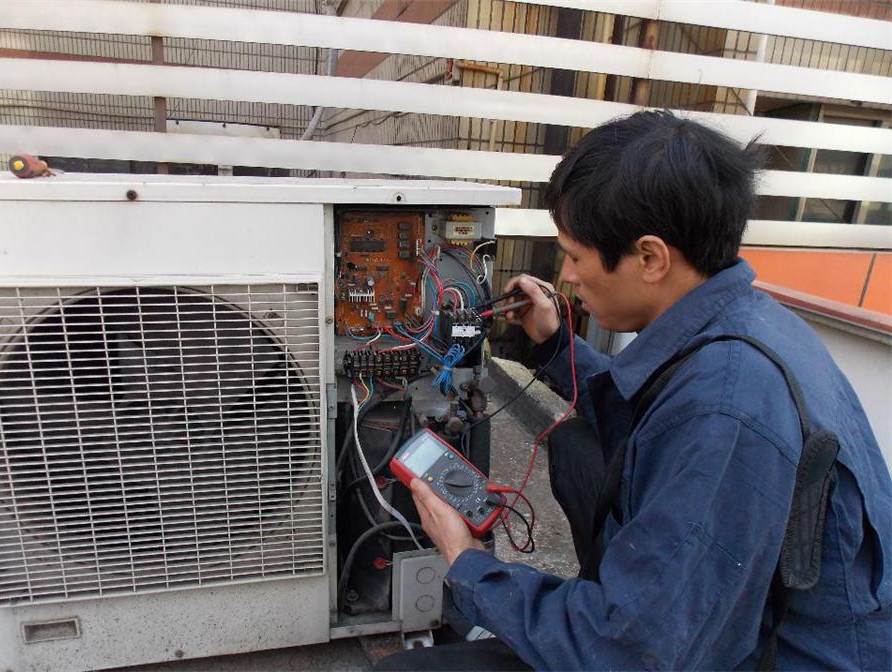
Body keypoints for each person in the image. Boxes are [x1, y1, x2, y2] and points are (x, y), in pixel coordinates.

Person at [376, 111, 892, 671]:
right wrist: (555, 346)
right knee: (576, 446)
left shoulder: (727, 410)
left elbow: (634, 652)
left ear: (650, 258)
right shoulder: (749, 322)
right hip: (720, 621)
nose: (567, 276)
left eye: (575, 255)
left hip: (759, 657)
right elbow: (643, 407)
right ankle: (603, 594)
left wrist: (467, 560)